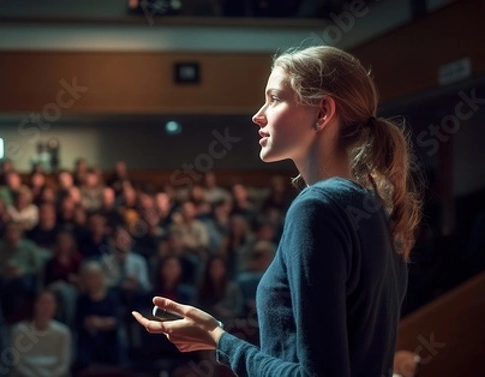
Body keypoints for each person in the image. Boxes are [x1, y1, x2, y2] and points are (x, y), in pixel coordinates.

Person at [133, 45, 422, 377]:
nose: (259, 114)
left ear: (322, 112)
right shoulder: (376, 208)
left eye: (274, 98)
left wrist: (218, 339)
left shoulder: (318, 208)